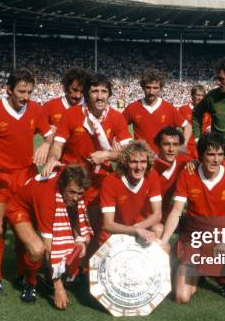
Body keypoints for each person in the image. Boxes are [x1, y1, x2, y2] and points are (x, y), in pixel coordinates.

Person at [0, 68, 53, 295]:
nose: (26, 96)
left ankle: (20, 273)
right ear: (9, 89)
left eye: (29, 92)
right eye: (21, 91)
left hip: (26, 176)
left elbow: (49, 135)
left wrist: (46, 143)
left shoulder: (36, 109)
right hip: (0, 177)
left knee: (21, 230)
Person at [159, 132, 225, 303]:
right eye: (211, 154)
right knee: (181, 297)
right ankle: (198, 271)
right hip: (194, 238)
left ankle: (224, 276)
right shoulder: (188, 174)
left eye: (220, 155)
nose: (216, 160)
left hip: (219, 239)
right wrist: (163, 241)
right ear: (201, 155)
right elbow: (176, 211)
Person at [43, 72, 132, 224]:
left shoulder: (117, 117)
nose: (99, 96)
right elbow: (57, 145)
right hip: (72, 179)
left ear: (109, 94)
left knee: (99, 227)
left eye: (104, 91)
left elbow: (131, 153)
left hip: (99, 180)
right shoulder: (71, 114)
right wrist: (51, 158)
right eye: (94, 91)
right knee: (72, 227)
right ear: (86, 93)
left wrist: (106, 156)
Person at [6, 164, 92, 308]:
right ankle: (30, 282)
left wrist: (79, 239)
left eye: (79, 193)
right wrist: (58, 288)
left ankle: (54, 274)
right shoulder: (48, 199)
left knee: (85, 239)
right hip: (19, 209)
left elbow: (76, 212)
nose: (76, 198)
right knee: (37, 250)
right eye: (72, 192)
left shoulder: (72, 177)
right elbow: (48, 247)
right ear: (62, 185)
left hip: (37, 205)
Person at [98, 141, 164, 250]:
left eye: (143, 162)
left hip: (140, 228)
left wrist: (137, 229)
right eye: (133, 162)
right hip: (116, 233)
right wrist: (134, 231)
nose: (139, 167)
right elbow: (108, 224)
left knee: (160, 233)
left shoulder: (152, 175)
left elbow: (157, 215)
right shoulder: (110, 181)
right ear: (125, 162)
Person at [123, 68, 191, 154]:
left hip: (164, 158)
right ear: (143, 87)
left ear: (160, 88)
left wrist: (183, 145)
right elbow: (118, 127)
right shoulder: (132, 108)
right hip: (142, 159)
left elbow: (187, 126)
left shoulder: (169, 108)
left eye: (155, 88)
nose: (151, 91)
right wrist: (127, 142)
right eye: (148, 87)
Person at [152, 126, 192, 220]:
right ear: (158, 145)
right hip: (149, 215)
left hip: (172, 214)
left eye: (175, 144)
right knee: (159, 230)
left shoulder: (185, 162)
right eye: (166, 144)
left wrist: (196, 163)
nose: (171, 149)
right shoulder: (148, 165)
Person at [178, 85, 211, 158]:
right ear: (192, 95)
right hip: (186, 146)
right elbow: (178, 129)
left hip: (201, 147)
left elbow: (209, 130)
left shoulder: (207, 111)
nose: (200, 98)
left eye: (202, 95)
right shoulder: (183, 109)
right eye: (198, 95)